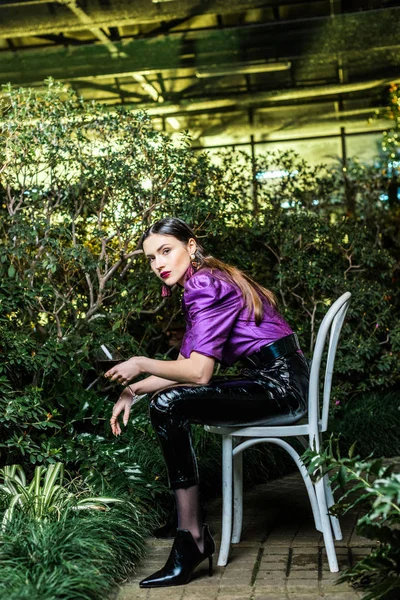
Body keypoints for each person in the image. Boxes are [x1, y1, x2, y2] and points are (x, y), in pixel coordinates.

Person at [105, 217, 309, 588]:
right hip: (279, 380)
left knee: (168, 405)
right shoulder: (208, 279)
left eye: (166, 251)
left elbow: (198, 373)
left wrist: (138, 364)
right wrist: (133, 389)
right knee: (167, 401)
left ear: (192, 246)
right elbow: (187, 367)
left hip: (281, 386)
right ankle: (189, 528)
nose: (158, 264)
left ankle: (192, 536)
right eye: (151, 258)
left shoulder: (204, 283)